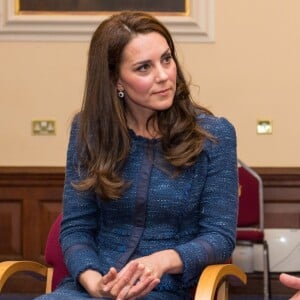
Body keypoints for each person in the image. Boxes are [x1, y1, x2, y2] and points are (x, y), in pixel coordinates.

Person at [35, 11, 238, 300]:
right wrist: (95, 284)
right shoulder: (89, 131)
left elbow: (220, 238)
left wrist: (162, 260)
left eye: (167, 59)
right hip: (91, 290)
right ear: (116, 81)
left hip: (166, 290)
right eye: (144, 68)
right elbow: (76, 228)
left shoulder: (213, 136)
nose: (164, 76)